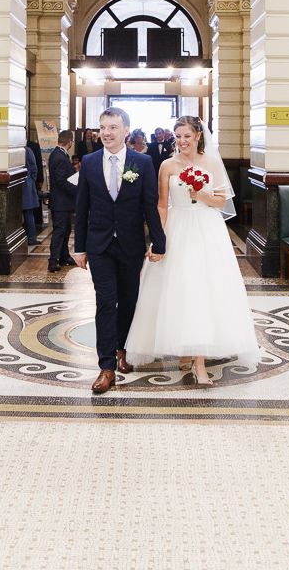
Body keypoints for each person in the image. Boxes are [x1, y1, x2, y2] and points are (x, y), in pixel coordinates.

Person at [125, 115, 261, 386]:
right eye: (178, 136)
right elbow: (162, 206)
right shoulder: (166, 165)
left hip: (206, 229)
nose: (182, 141)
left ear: (198, 136)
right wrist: (157, 239)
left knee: (203, 290)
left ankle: (199, 361)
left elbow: (222, 201)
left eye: (187, 136)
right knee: (178, 290)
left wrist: (200, 194)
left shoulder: (212, 163)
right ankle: (184, 349)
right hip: (177, 229)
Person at [74, 107, 166, 394]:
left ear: (126, 131)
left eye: (112, 127)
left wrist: (159, 242)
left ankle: (123, 350)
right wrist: (79, 247)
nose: (106, 133)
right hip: (99, 244)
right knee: (105, 301)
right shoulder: (88, 162)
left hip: (130, 243)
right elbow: (82, 207)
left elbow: (149, 205)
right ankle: (106, 367)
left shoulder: (142, 162)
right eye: (102, 127)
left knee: (128, 300)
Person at [47, 130, 77, 272]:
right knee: (59, 230)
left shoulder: (59, 154)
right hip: (60, 201)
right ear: (70, 142)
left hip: (63, 201)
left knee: (65, 230)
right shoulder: (59, 156)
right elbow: (61, 181)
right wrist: (77, 190)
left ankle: (64, 256)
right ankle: (53, 260)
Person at [23, 143, 40, 245]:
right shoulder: (27, 151)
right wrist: (31, 181)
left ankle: (28, 238)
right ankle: (31, 238)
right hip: (27, 185)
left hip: (20, 187)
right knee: (29, 214)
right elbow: (34, 169)